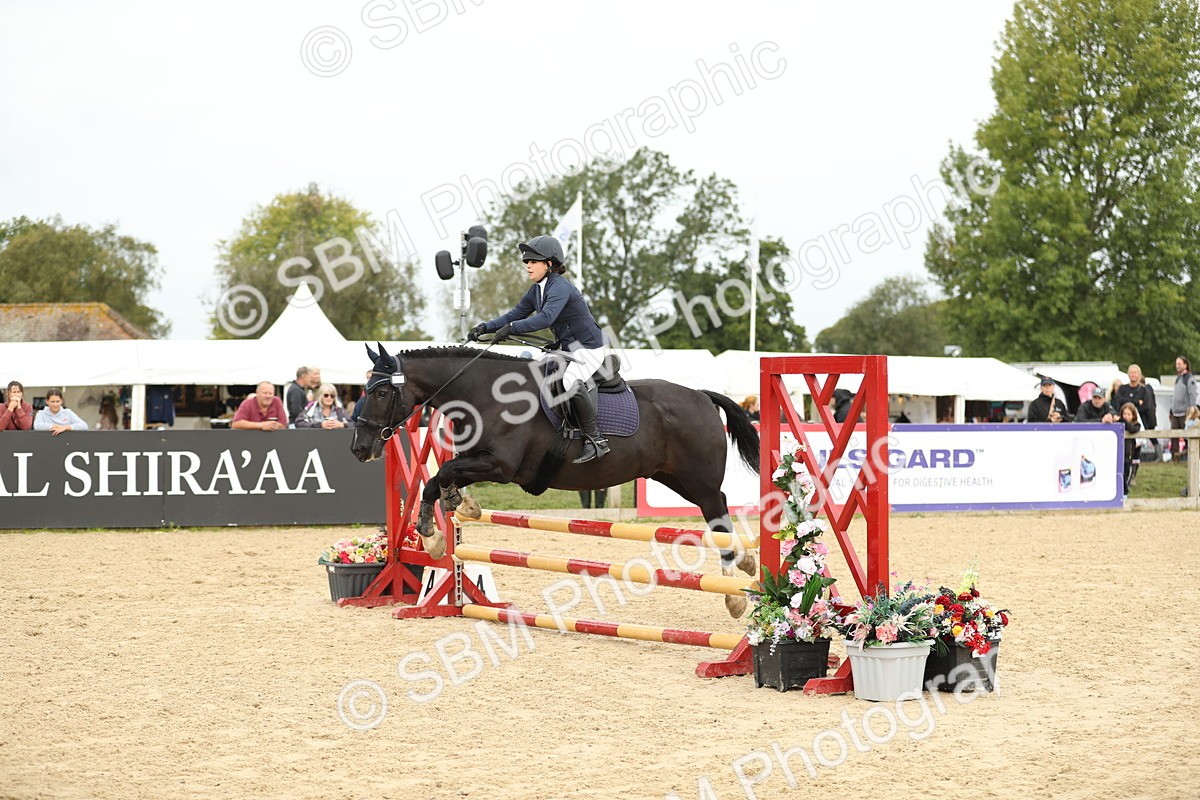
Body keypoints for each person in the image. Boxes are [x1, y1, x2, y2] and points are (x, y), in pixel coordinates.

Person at [468, 235, 611, 463]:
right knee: (533, 369)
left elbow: (545, 318)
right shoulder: (537, 290)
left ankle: (596, 440)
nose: (528, 265)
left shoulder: (561, 287)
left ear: (550, 264)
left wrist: (511, 329)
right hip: (569, 348)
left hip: (590, 348)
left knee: (569, 381)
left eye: (533, 261)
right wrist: (486, 326)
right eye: (527, 261)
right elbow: (514, 314)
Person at [1113, 364, 1158, 465]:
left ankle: (1133, 473)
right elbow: (1119, 400)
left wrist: (1130, 408)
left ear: (1139, 375)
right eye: (1131, 372)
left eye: (1135, 372)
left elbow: (1146, 406)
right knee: (1123, 449)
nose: (1133, 375)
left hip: (1138, 423)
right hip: (1123, 423)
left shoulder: (1144, 390)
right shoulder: (1122, 389)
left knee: (1137, 449)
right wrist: (1136, 402)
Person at [1167, 356, 1198, 459]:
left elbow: (1192, 394)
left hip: (1185, 413)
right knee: (1174, 435)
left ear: (1185, 365)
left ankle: (1190, 456)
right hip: (1176, 413)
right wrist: (1171, 409)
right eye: (1176, 364)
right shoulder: (1178, 379)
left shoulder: (1189, 378)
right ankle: (1174, 457)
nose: (1177, 366)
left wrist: (1192, 410)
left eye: (1179, 364)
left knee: (1187, 436)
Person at [1118, 402, 1141, 497]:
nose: (1126, 416)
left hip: (1129, 456)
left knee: (1126, 476)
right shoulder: (1118, 423)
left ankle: (1124, 495)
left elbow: (1132, 429)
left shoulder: (1136, 425)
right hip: (1119, 454)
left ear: (1133, 415)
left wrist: (1122, 420)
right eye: (1124, 414)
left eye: (1128, 414)